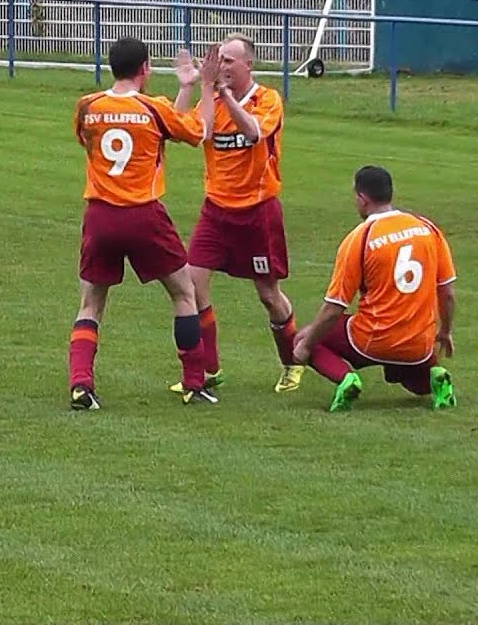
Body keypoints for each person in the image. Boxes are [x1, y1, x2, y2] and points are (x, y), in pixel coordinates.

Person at [67, 37, 219, 409]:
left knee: (91, 303)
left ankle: (81, 385)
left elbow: (99, 139)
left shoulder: (87, 107)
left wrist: (182, 89)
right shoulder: (152, 109)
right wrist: (206, 86)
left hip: (100, 215)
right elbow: (198, 131)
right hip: (144, 214)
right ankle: (194, 382)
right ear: (146, 69)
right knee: (184, 294)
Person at [168, 34, 305, 395]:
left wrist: (224, 94)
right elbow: (183, 126)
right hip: (216, 209)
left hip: (257, 211)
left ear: (249, 65)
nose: (222, 66)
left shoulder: (268, 99)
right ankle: (209, 368)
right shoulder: (211, 99)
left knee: (268, 294)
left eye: (229, 61)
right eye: (219, 59)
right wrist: (189, 87)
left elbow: (254, 132)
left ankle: (292, 362)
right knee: (192, 283)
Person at [292, 165, 458, 412]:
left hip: (371, 340)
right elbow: (448, 293)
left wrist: (304, 345)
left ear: (362, 198)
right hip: (418, 345)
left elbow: (334, 309)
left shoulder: (360, 238)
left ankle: (346, 379)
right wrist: (445, 331)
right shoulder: (427, 228)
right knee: (411, 378)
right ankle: (435, 376)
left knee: (307, 338)